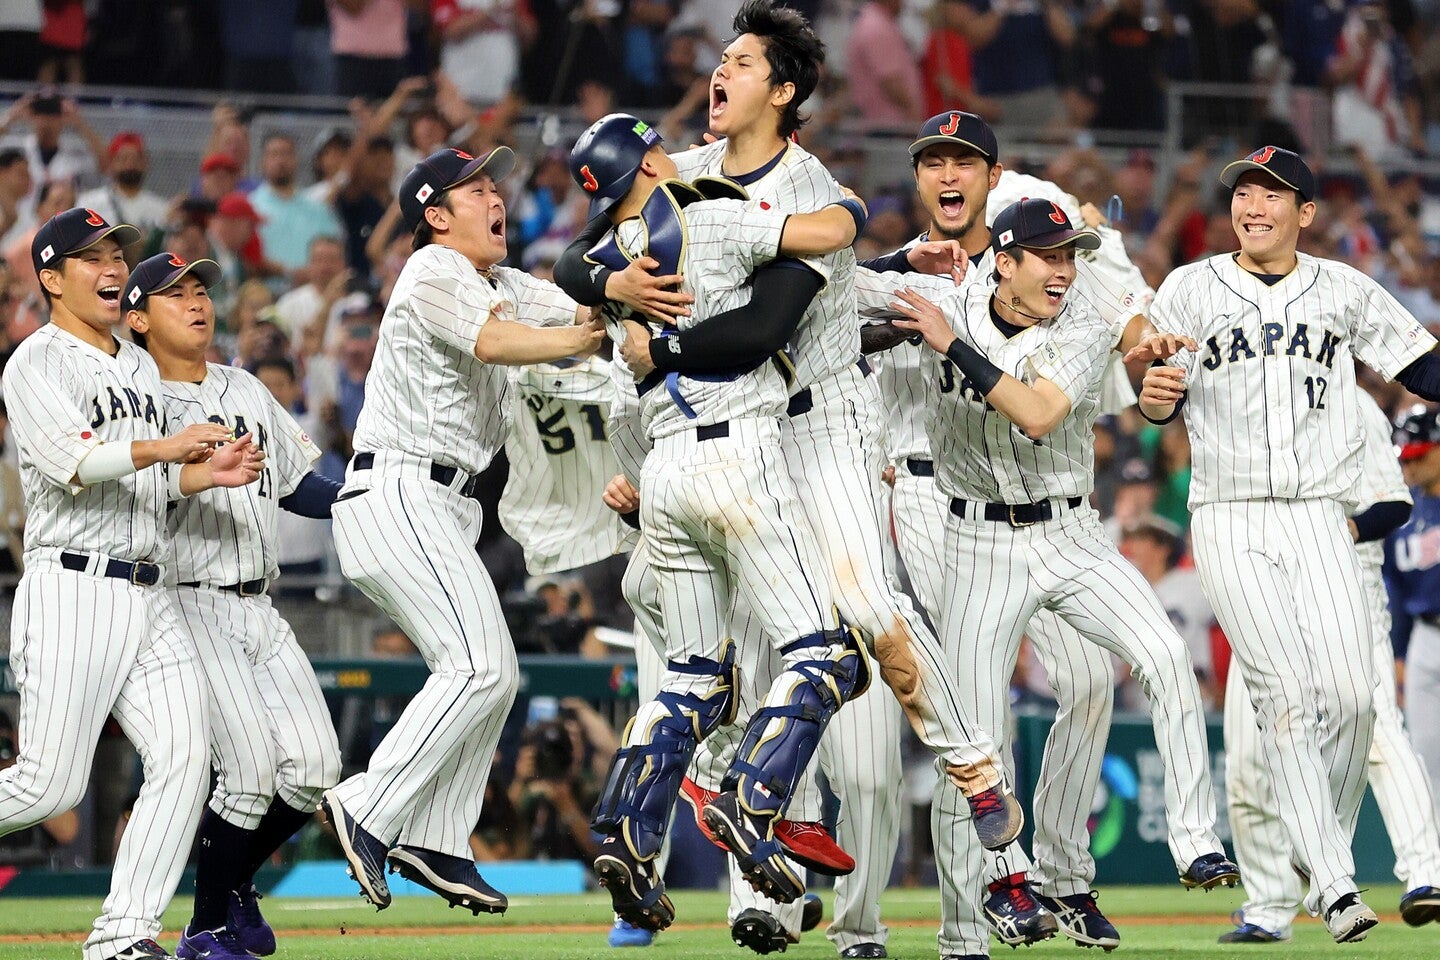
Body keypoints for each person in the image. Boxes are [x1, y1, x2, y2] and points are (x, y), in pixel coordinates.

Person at [885, 198, 1237, 960]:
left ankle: (1193, 842)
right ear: (1002, 263)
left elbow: (1039, 413)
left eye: (1070, 253)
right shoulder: (946, 301)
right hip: (975, 543)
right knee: (976, 743)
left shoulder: (1082, 317)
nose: (1064, 269)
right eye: (1047, 255)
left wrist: (953, 348)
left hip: (1073, 533)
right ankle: (976, 921)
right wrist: (894, 280)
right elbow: (842, 300)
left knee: (1166, 656)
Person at [567, 109, 881, 934]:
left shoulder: (603, 258)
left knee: (695, 678)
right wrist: (849, 206)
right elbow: (829, 233)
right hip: (737, 452)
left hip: (662, 470)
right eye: (656, 149)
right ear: (645, 162)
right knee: (829, 655)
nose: (671, 154)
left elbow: (573, 265)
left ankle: (627, 832)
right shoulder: (705, 208)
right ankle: (754, 796)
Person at [1140, 144, 1440, 942]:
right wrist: (1156, 395)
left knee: (1350, 699)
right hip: (1231, 513)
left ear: (1305, 214)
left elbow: (1421, 363)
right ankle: (1337, 886)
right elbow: (1155, 394)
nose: (1254, 204)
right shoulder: (1191, 287)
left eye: (1274, 193)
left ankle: (1319, 846)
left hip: (1317, 515)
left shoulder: (1341, 288)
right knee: (1280, 696)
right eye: (1244, 190)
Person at [319, 146, 604, 916]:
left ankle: (439, 837)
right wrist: (582, 339)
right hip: (401, 486)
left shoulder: (499, 282)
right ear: (436, 215)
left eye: (494, 185)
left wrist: (619, 287)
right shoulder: (432, 269)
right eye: (476, 187)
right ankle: (369, 806)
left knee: (494, 673)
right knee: (479, 668)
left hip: (442, 505)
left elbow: (583, 314)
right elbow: (497, 343)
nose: (494, 196)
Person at [0, 207, 262, 960]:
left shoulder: (139, 365)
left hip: (150, 589)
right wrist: (168, 445)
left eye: (116, 251)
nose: (112, 265)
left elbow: (146, 483)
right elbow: (77, 463)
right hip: (72, 587)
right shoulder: (35, 362)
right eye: (90, 256)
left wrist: (198, 474)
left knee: (185, 756)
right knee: (49, 787)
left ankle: (122, 936)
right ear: (51, 278)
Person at [124, 251, 344, 960]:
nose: (196, 302)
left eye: (200, 290)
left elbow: (297, 483)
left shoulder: (244, 387)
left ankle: (233, 883)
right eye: (174, 294)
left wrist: (365, 498)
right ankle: (204, 928)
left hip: (259, 603)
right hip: (185, 599)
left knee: (313, 768)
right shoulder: (134, 400)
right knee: (247, 771)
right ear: (137, 318)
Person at [1222, 390, 1440, 943]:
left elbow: (1394, 503)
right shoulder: (1240, 393)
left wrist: (1325, 536)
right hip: (1261, 584)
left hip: (1346, 579)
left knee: (1375, 727)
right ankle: (1270, 908)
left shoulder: (1348, 400)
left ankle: (1425, 875)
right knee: (1248, 757)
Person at [1388, 404, 1440, 885]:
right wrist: (1399, 656)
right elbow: (1396, 592)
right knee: (1424, 762)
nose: (1409, 466)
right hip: (1425, 638)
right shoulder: (1405, 510)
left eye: (1418, 456)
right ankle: (1434, 875)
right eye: (1403, 459)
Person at [247, 134, 344, 274]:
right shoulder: (251, 206)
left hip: (313, 289)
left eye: (286, 154)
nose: (281, 161)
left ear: (296, 160)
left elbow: (336, 249)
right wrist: (288, 273)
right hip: (264, 289)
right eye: (274, 154)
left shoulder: (317, 208)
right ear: (263, 161)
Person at [77, 133, 169, 239]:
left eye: (135, 159)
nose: (130, 165)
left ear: (145, 163)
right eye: (123, 159)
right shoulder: (89, 204)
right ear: (111, 164)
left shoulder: (161, 208)